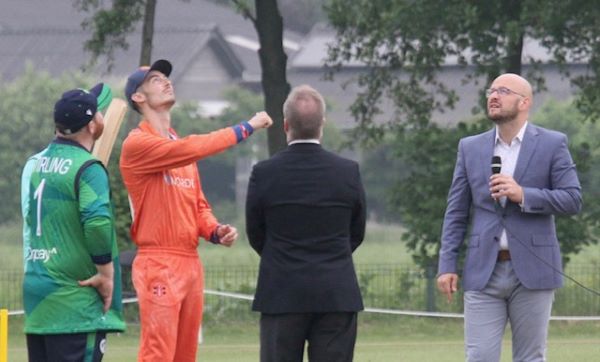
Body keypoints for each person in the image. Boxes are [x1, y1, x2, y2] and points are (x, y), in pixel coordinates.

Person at [119, 59, 272, 362]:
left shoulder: (179, 146)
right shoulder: (138, 144)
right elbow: (195, 147)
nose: (166, 82)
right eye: (155, 80)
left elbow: (198, 206)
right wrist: (246, 127)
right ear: (138, 97)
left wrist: (215, 230)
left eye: (166, 77)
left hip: (190, 262)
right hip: (159, 260)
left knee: (184, 356)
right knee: (158, 354)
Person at [437, 73, 582, 361]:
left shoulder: (552, 144)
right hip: (483, 271)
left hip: (533, 271)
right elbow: (456, 211)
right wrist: (447, 264)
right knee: (479, 357)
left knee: (530, 357)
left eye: (503, 91)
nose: (493, 96)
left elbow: (572, 199)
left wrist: (524, 195)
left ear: (524, 102)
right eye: (491, 90)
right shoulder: (470, 147)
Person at [246, 84, 367, 362]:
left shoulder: (264, 173)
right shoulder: (347, 172)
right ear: (322, 125)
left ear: (286, 124)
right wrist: (333, 256)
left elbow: (256, 232)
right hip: (336, 291)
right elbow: (356, 231)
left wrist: (279, 256)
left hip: (281, 290)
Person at [21, 84, 125, 361]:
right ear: (93, 125)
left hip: (38, 295)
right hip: (75, 298)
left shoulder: (37, 165)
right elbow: (97, 223)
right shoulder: (88, 168)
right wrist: (106, 274)